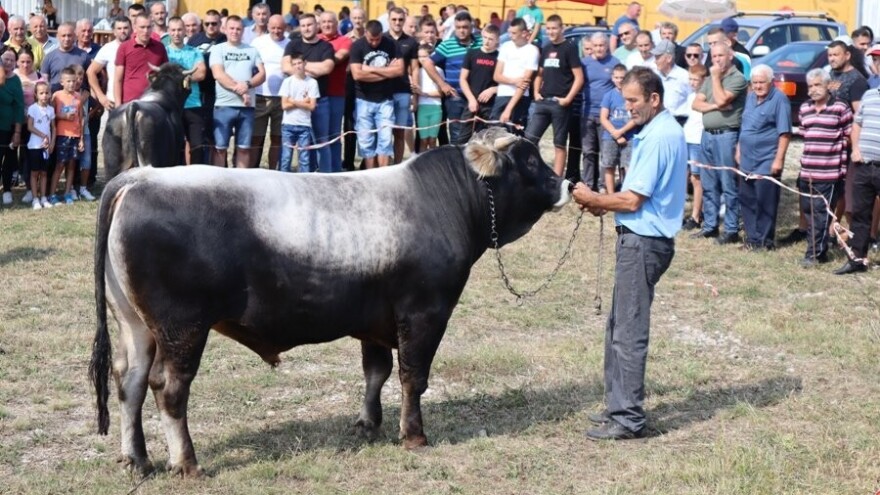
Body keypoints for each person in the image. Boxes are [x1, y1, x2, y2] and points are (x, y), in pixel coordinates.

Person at [572, 66, 686, 441]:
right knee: (617, 328)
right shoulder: (656, 130)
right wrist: (604, 203)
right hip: (639, 237)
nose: (628, 109)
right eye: (625, 101)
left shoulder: (658, 137)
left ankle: (628, 419)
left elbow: (633, 198)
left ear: (654, 98)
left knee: (629, 330)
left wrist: (595, 199)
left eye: (633, 101)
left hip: (643, 242)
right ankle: (617, 407)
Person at [691, 43, 747, 244]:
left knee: (728, 183)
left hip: (727, 136)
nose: (716, 60)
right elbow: (696, 104)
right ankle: (710, 225)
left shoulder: (737, 79)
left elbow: (725, 99)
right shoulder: (707, 79)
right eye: (713, 56)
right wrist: (715, 106)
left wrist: (715, 79)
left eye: (720, 56)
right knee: (708, 182)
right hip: (707, 135)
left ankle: (731, 229)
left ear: (730, 56)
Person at [797, 69, 852, 267]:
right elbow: (805, 135)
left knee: (821, 214)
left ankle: (815, 254)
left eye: (817, 85)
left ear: (828, 85)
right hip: (807, 172)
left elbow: (849, 135)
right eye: (810, 86)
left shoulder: (840, 107)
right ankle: (816, 248)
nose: (813, 90)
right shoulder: (804, 108)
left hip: (829, 174)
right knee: (808, 211)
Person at [736, 64, 791, 251]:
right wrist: (738, 148)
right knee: (747, 199)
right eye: (755, 82)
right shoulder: (750, 97)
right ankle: (752, 239)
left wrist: (779, 160)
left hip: (767, 158)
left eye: (762, 82)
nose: (758, 86)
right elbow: (745, 126)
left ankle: (765, 241)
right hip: (746, 159)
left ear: (771, 82)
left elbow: (784, 133)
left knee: (765, 201)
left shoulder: (779, 100)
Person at [524, 14, 583, 176]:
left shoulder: (569, 48)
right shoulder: (547, 48)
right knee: (529, 140)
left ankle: (557, 179)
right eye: (548, 28)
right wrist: (536, 92)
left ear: (561, 28)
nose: (551, 31)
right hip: (543, 102)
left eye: (554, 28)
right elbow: (540, 74)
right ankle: (531, 174)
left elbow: (579, 77)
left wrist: (568, 99)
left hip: (560, 104)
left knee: (559, 144)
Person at [835, 66, 880, 275]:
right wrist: (856, 149)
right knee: (861, 215)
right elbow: (857, 124)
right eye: (876, 61)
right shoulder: (869, 95)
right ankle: (857, 259)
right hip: (865, 165)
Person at [209, 15, 266, 168]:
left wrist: (247, 84)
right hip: (223, 105)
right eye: (232, 28)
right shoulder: (217, 49)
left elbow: (262, 74)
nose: (235, 32)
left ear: (243, 31)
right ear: (225, 30)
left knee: (244, 148)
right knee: (220, 148)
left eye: (238, 29)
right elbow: (218, 74)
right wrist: (241, 91)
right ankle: (219, 182)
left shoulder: (252, 50)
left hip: (247, 107)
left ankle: (242, 181)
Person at [283, 13, 334, 172]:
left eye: (310, 25)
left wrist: (300, 67)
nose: (306, 28)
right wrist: (314, 69)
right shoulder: (293, 45)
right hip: (295, 105)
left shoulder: (325, 46)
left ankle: (325, 176)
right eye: (303, 25)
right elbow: (285, 66)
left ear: (316, 26)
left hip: (320, 101)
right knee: (303, 145)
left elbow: (326, 68)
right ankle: (308, 174)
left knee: (321, 141)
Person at [349, 19, 403, 168]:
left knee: (385, 141)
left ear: (381, 34)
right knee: (366, 142)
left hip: (385, 100)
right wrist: (387, 72)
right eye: (371, 40)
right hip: (363, 100)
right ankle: (370, 174)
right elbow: (357, 75)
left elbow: (399, 70)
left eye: (377, 39)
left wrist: (370, 69)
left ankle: (383, 175)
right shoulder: (357, 46)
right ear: (365, 33)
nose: (374, 43)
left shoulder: (391, 44)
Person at [422, 11, 481, 144]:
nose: (461, 31)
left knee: (477, 136)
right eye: (458, 27)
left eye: (465, 27)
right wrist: (442, 85)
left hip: (478, 97)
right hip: (456, 98)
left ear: (471, 27)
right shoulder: (447, 45)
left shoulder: (481, 43)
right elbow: (427, 63)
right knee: (457, 136)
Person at [250, 14, 290, 170]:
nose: (276, 31)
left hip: (282, 98)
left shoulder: (290, 44)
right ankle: (252, 172)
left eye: (280, 28)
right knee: (256, 138)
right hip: (260, 95)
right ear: (267, 27)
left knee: (277, 138)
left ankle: (274, 170)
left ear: (285, 28)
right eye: (273, 28)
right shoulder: (258, 43)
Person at [167, 16, 207, 165]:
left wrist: (183, 78)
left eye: (179, 30)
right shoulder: (164, 52)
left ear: (185, 31)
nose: (176, 33)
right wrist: (187, 75)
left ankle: (194, 177)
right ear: (168, 32)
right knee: (174, 145)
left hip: (193, 104)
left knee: (196, 145)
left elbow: (201, 73)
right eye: (173, 30)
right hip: (172, 106)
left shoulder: (195, 52)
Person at [581, 32, 619, 191]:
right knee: (588, 151)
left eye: (601, 45)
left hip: (607, 116)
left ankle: (604, 185)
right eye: (595, 45)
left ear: (607, 46)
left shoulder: (615, 63)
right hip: (587, 112)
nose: (598, 48)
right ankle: (589, 184)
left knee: (606, 153)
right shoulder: (584, 63)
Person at [188, 10, 225, 162]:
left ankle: (215, 167)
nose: (210, 26)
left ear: (220, 24)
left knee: (214, 133)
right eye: (207, 23)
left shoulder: (225, 40)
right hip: (197, 92)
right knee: (196, 132)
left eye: (214, 23)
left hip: (218, 91)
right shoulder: (194, 40)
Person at [385, 7, 418, 164]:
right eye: (394, 19)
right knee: (383, 133)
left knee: (399, 132)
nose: (397, 22)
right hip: (382, 93)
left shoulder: (411, 42)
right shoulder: (381, 39)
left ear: (404, 20)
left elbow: (415, 68)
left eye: (400, 19)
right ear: (388, 20)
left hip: (403, 92)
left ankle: (397, 164)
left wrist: (415, 94)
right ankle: (382, 165)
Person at [491, 17, 538, 128]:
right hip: (502, 95)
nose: (510, 35)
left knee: (515, 138)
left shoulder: (532, 51)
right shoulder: (505, 47)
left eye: (514, 33)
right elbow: (497, 76)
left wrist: (508, 109)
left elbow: (524, 83)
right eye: (509, 32)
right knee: (494, 134)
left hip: (519, 99)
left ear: (524, 33)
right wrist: (514, 81)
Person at [318, 11, 351, 173]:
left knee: (333, 135)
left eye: (330, 21)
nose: (326, 25)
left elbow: (336, 60)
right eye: (323, 22)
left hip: (335, 93)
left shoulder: (344, 41)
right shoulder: (315, 40)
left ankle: (335, 170)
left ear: (336, 24)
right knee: (316, 135)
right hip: (314, 94)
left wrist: (316, 62)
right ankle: (318, 168)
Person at [46, 66, 83, 205]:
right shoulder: (57, 96)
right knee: (60, 165)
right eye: (68, 81)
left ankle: (68, 193)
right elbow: (51, 115)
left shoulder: (78, 96)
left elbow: (81, 117)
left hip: (75, 135)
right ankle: (52, 194)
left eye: (73, 81)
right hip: (62, 135)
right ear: (62, 82)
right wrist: (63, 116)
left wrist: (81, 138)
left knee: (72, 165)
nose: (72, 84)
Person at [114, 14, 168, 105]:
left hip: (153, 103)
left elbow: (165, 75)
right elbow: (118, 79)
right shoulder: (124, 47)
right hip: (129, 103)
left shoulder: (160, 47)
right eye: (142, 27)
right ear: (135, 27)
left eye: (148, 27)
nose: (146, 31)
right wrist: (118, 105)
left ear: (152, 27)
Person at [459, 24, 499, 143]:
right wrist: (471, 99)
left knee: (488, 142)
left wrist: (493, 90)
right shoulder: (472, 53)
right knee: (462, 140)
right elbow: (463, 79)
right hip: (471, 103)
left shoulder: (500, 57)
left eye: (491, 39)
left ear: (497, 40)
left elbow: (505, 84)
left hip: (490, 106)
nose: (487, 41)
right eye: (485, 37)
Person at [599, 64, 636, 193]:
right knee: (609, 166)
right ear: (612, 78)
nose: (620, 80)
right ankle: (611, 194)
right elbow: (603, 118)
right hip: (610, 136)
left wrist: (622, 132)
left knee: (628, 166)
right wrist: (615, 133)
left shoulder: (632, 96)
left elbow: (636, 118)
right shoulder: (608, 96)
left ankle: (627, 193)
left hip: (629, 136)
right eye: (617, 77)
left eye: (623, 77)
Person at [278, 52, 318, 173]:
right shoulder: (287, 82)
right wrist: (303, 102)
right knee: (286, 158)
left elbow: (312, 106)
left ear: (305, 63)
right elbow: (284, 105)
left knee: (304, 159)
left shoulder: (312, 83)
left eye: (299, 63)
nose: (297, 66)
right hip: (288, 125)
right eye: (294, 64)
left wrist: (294, 101)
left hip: (304, 126)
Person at [682, 63, 707, 231]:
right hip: (686, 138)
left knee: (696, 179)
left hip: (698, 141)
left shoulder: (705, 97)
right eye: (690, 79)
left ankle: (696, 216)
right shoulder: (690, 96)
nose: (692, 82)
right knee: (685, 177)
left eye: (695, 79)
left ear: (703, 80)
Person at [88, 16, 130, 111]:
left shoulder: (137, 47)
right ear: (114, 31)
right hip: (113, 101)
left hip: (134, 100)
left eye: (126, 28)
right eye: (119, 28)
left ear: (131, 29)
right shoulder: (108, 48)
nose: (122, 31)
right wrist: (101, 96)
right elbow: (91, 72)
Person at [26, 81, 54, 209]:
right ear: (36, 95)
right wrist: (43, 135)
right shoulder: (33, 108)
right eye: (41, 93)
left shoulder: (51, 110)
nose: (44, 95)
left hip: (46, 148)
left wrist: (51, 141)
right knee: (34, 173)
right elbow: (30, 126)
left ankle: (43, 197)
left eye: (46, 93)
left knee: (44, 173)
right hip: (34, 146)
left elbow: (53, 127)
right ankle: (35, 198)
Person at [0, 47, 23, 206]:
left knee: (8, 160)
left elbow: (19, 107)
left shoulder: (16, 81)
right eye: (5, 59)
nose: (7, 62)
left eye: (11, 60)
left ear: (15, 63)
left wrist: (17, 132)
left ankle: (7, 189)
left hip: (7, 127)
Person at [41, 22, 90, 93]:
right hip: (56, 99)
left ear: (74, 36)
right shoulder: (49, 57)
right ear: (57, 36)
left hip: (78, 99)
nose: (66, 39)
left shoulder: (84, 56)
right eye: (63, 36)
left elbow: (90, 81)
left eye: (69, 35)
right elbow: (44, 81)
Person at [652, 39, 690, 125]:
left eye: (658, 57)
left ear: (669, 58)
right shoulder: (655, 76)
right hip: (660, 121)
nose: (655, 61)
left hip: (681, 122)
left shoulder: (684, 76)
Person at [416, 43, 442, 150]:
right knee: (423, 140)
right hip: (422, 108)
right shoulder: (417, 72)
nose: (422, 59)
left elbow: (441, 92)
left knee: (432, 140)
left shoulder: (438, 70)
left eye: (424, 56)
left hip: (436, 108)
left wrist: (424, 94)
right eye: (419, 56)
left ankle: (432, 164)